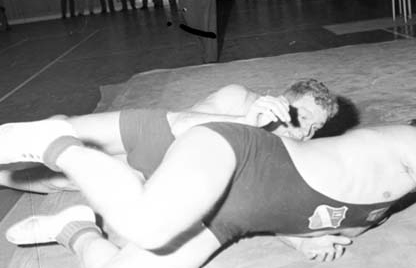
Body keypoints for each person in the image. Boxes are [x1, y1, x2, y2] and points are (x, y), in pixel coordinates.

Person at [1, 106, 416, 268]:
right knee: (149, 226)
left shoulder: (382, 205)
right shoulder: (411, 140)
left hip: (231, 218)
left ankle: (75, 228)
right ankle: (53, 141)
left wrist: (297, 242)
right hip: (241, 157)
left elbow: (296, 214)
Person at [0, 80, 335, 194]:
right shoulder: (241, 98)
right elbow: (184, 124)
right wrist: (247, 122)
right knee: (60, 131)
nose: (305, 132)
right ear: (282, 100)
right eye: (304, 117)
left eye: (315, 128)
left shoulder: (292, 150)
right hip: (156, 135)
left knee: (63, 179)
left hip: (160, 177)